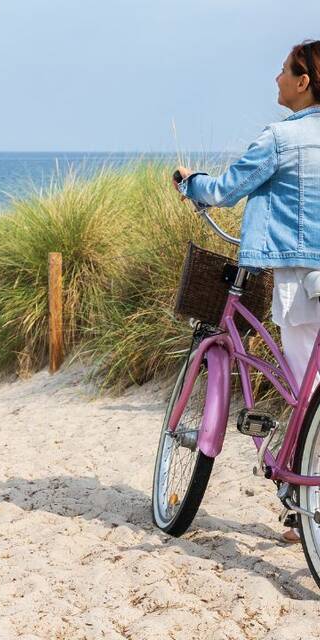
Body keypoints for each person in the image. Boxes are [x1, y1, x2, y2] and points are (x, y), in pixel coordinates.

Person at [173, 40, 320, 544]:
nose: (276, 78)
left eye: (284, 71)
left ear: (304, 82)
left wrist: (190, 182)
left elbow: (226, 190)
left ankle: (305, 501)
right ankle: (299, 508)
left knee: (308, 392)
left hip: (301, 280)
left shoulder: (281, 139)